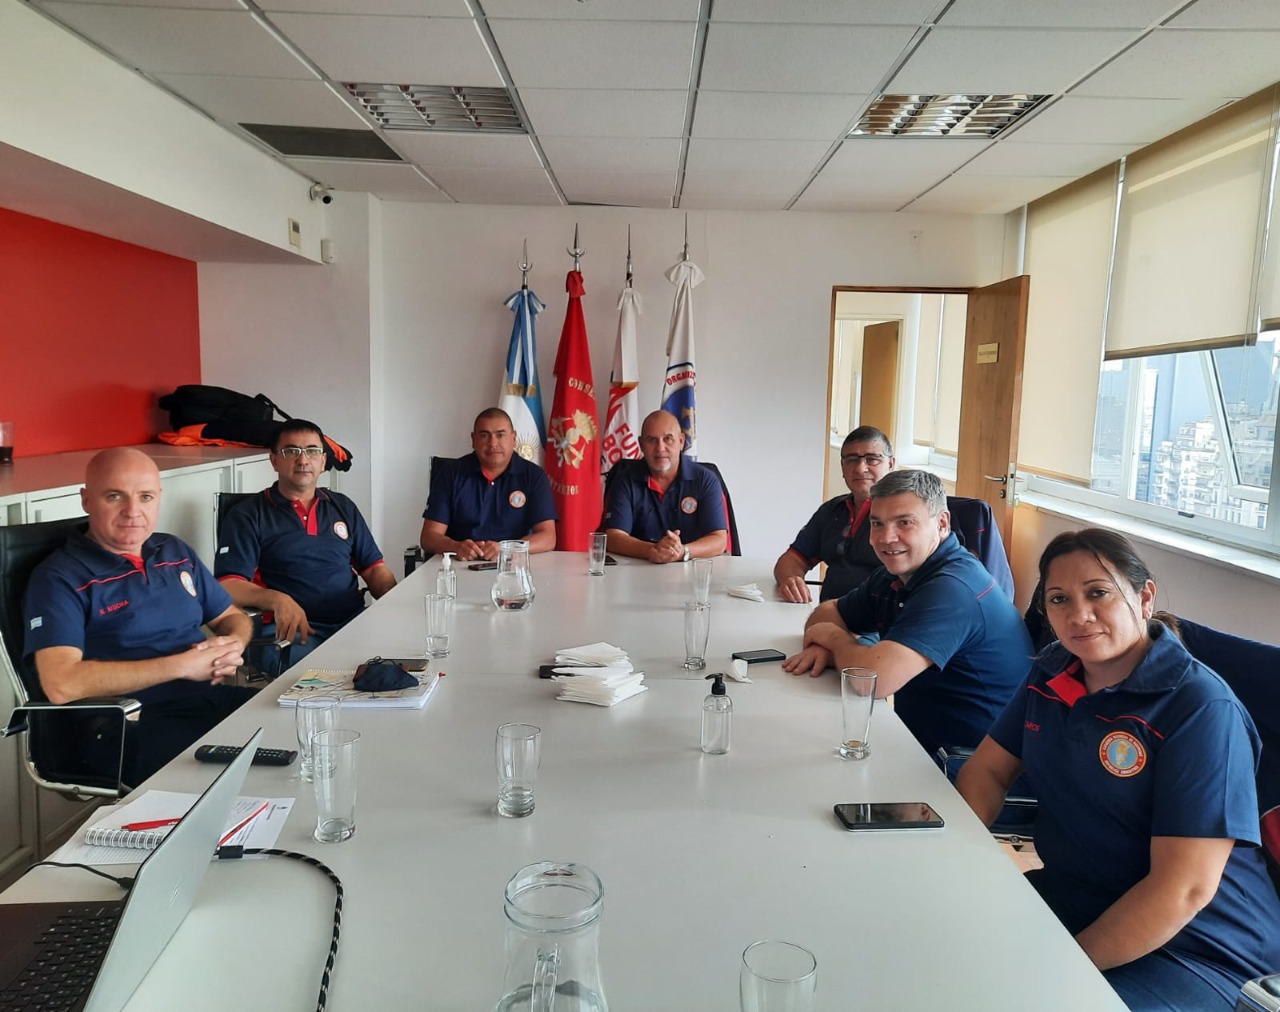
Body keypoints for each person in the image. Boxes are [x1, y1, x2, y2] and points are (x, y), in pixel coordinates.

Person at [956, 529, 1280, 1012]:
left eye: (1098, 592)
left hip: (1197, 945)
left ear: (1144, 596)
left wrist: (1063, 964)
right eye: (1059, 599)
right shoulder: (1053, 672)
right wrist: (958, 861)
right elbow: (988, 772)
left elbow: (1184, 890)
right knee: (937, 948)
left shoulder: (1200, 708)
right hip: (1078, 895)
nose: (1078, 615)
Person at [23, 447, 256, 786]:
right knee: (237, 781)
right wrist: (182, 666)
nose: (133, 511)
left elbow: (232, 617)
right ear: (86, 500)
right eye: (115, 496)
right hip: (130, 722)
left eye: (145, 497)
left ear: (158, 499)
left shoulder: (174, 552)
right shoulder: (59, 577)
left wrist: (231, 645)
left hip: (207, 699)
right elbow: (61, 684)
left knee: (302, 726)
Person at [783, 469, 1030, 754]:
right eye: (877, 524)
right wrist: (829, 644)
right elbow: (829, 612)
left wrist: (835, 641)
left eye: (904, 522)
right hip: (919, 743)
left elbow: (873, 680)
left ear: (941, 524)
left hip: (968, 763)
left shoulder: (953, 588)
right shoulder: (898, 572)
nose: (886, 538)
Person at [215, 419, 396, 670]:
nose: (303, 460)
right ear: (274, 460)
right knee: (333, 678)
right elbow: (228, 586)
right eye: (292, 451)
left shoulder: (342, 506)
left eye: (312, 451)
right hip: (290, 634)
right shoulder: (248, 515)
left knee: (400, 665)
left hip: (352, 623)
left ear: (323, 462)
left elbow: (374, 568)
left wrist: (396, 601)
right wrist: (277, 599)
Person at [774, 426, 895, 603]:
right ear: (842, 467)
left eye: (872, 459)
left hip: (878, 624)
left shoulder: (902, 517)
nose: (861, 468)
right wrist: (790, 580)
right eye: (852, 460)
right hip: (828, 617)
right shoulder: (832, 511)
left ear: (890, 464)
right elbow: (791, 560)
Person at [418, 407, 557, 561]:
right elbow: (429, 537)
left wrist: (507, 549)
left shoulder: (533, 476)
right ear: (473, 439)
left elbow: (548, 537)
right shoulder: (450, 474)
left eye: (500, 435)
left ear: (514, 438)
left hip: (513, 565)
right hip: (461, 564)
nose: (493, 443)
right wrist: (456, 547)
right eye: (485, 435)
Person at [603, 410, 727, 563]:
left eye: (668, 439)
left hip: (691, 572)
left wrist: (683, 551)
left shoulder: (705, 480)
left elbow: (719, 540)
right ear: (641, 444)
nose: (660, 448)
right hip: (639, 570)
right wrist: (652, 550)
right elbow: (614, 536)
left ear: (681, 442)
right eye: (652, 440)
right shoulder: (624, 480)